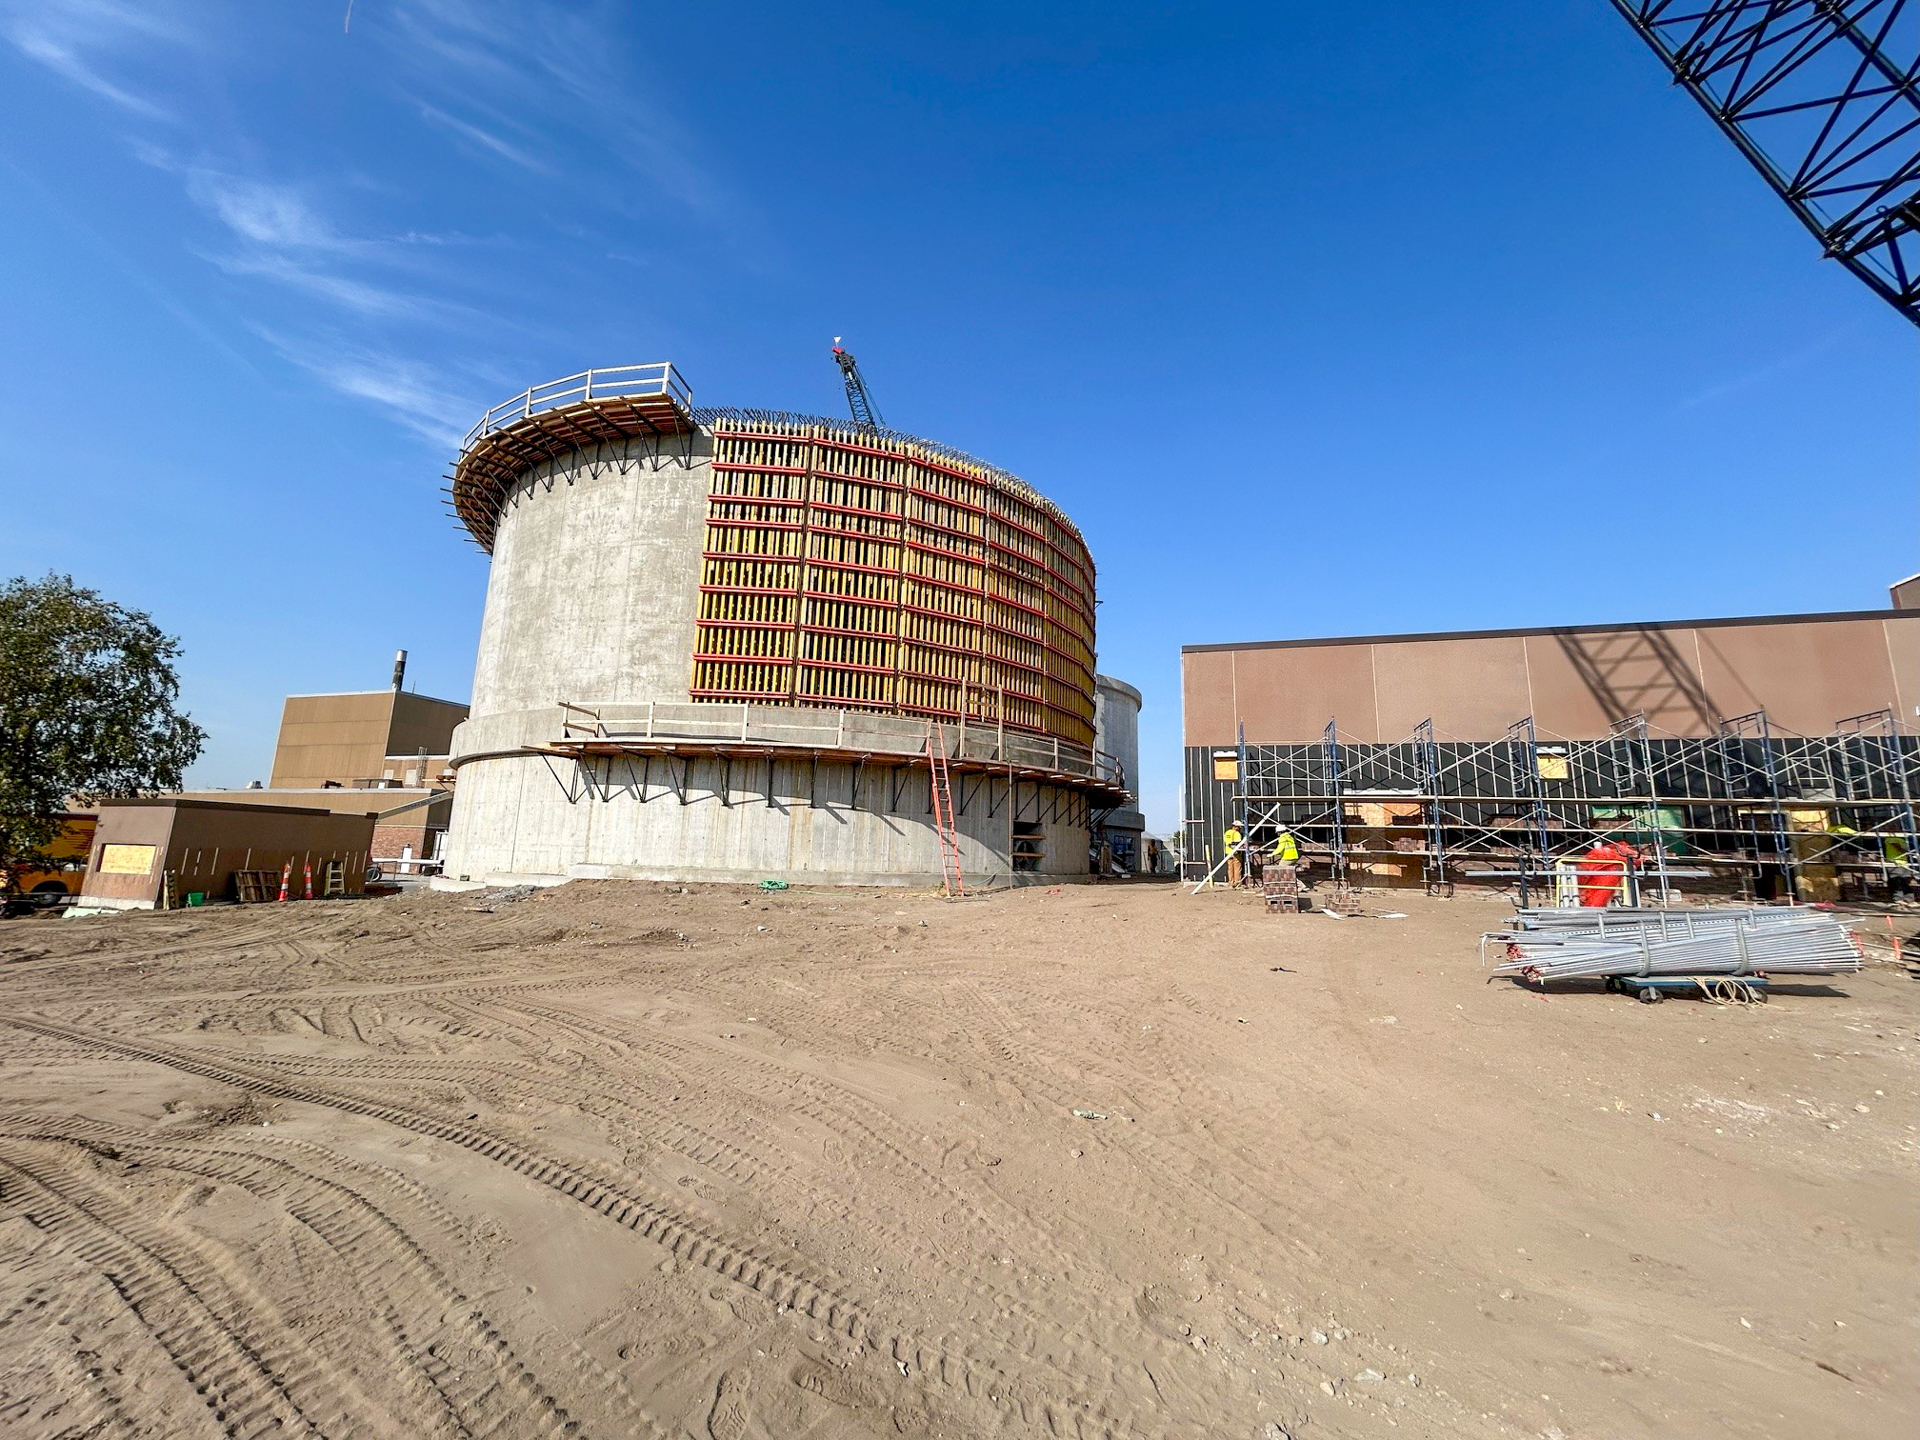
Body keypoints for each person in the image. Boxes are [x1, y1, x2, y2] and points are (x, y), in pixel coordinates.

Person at [1222, 822, 1245, 888]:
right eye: (1239, 827)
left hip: (1228, 852)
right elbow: (1238, 844)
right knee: (1237, 868)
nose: (1240, 828)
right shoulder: (1237, 834)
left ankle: (1231, 883)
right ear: (1236, 826)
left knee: (1230, 868)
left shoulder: (1227, 833)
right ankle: (1237, 883)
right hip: (1235, 853)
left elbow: (1226, 842)